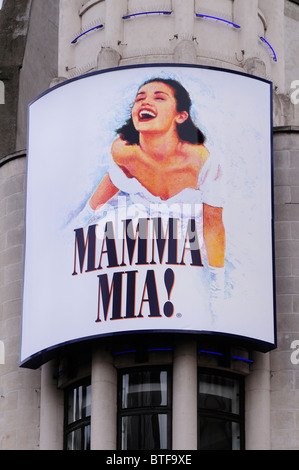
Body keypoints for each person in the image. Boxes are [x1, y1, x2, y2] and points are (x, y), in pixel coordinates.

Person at [89, 78, 225, 270]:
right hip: (142, 242)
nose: (145, 102)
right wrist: (83, 219)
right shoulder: (123, 150)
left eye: (159, 98)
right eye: (139, 99)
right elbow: (113, 179)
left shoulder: (201, 161)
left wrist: (217, 285)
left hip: (191, 250)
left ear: (181, 116)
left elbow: (213, 223)